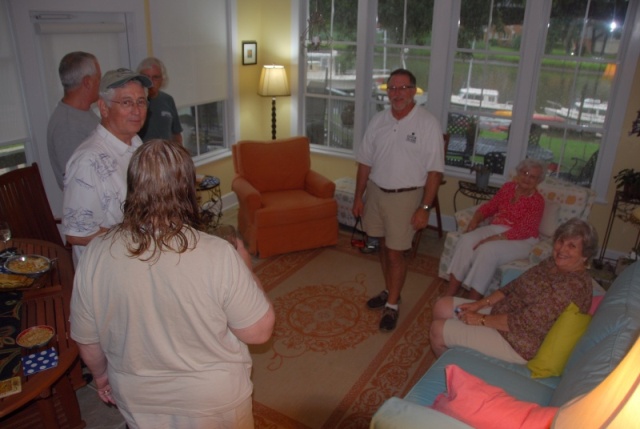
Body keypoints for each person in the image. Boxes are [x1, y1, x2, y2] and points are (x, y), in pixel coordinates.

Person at [70, 139, 275, 429]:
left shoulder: (95, 254)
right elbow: (259, 331)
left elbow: (87, 340)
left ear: (133, 186)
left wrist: (101, 376)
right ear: (188, 189)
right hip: (214, 403)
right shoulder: (218, 254)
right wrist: (245, 267)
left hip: (139, 400)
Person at [430, 218, 597, 364]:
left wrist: (480, 319)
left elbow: (526, 322)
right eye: (561, 241)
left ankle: (454, 369)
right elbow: (514, 285)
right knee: (442, 306)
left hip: (519, 341)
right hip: (502, 315)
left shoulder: (573, 286)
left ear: (585, 255)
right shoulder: (552, 263)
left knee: (437, 331)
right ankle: (457, 353)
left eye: (572, 246)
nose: (562, 250)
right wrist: (479, 304)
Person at [352, 68, 444, 332]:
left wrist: (424, 207)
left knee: (395, 253)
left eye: (403, 88)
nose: (397, 94)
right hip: (377, 192)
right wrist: (359, 196)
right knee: (382, 246)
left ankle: (392, 304)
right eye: (392, 88)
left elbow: (435, 171)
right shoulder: (378, 121)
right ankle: (391, 290)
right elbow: (365, 162)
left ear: (414, 91)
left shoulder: (427, 123)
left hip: (406, 196)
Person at [62, 68, 152, 265]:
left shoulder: (136, 144)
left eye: (141, 102)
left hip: (139, 260)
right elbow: (76, 234)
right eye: (127, 102)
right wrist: (138, 239)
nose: (136, 111)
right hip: (107, 272)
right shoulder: (88, 162)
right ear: (103, 108)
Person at [445, 159, 546, 299]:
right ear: (519, 173)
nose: (527, 178)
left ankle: (472, 302)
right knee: (466, 240)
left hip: (523, 239)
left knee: (488, 251)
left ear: (538, 181)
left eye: (532, 177)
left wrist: (491, 239)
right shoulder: (508, 188)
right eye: (525, 173)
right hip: (497, 227)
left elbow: (524, 229)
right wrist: (476, 219)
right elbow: (491, 206)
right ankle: (450, 294)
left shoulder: (537, 201)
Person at [47, 51, 101, 189]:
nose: (100, 84)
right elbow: (79, 182)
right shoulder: (67, 126)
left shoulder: (84, 112)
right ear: (87, 82)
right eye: (98, 78)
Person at [136, 57, 183, 144]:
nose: (150, 81)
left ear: (162, 80)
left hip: (166, 155)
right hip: (142, 155)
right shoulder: (134, 103)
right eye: (146, 77)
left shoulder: (168, 100)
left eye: (155, 77)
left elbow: (176, 134)